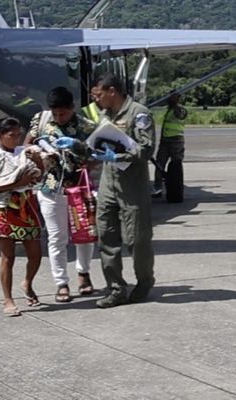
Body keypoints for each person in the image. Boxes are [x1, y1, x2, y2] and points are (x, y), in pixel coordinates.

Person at [24, 86, 98, 303]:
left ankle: (83, 273)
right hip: (51, 188)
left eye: (63, 114)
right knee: (57, 237)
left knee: (83, 234)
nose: (59, 118)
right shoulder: (41, 120)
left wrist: (83, 155)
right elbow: (27, 144)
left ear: (72, 108)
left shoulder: (86, 126)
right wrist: (39, 152)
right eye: (55, 114)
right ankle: (61, 282)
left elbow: (98, 154)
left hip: (79, 188)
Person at [90, 73, 156, 308]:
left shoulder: (139, 113)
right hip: (108, 184)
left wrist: (117, 156)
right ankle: (116, 288)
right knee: (106, 236)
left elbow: (146, 149)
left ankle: (145, 281)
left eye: (99, 94)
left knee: (137, 240)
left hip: (132, 187)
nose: (96, 99)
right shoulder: (104, 114)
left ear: (112, 91)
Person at [0, 117, 43, 317]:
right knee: (8, 256)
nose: (16, 139)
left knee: (35, 253)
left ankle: (27, 282)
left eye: (18, 135)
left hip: (25, 205)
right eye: (11, 135)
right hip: (3, 207)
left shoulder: (22, 152)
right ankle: (7, 299)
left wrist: (39, 161)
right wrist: (18, 183)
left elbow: (38, 176)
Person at [152, 91, 188, 198]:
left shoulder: (180, 110)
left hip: (176, 142)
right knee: (159, 164)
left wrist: (175, 103)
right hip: (165, 142)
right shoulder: (168, 110)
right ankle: (158, 188)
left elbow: (180, 115)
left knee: (176, 165)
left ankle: (175, 187)